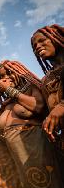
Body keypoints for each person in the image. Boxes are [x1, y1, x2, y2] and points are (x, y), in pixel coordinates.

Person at [0, 60, 64, 188]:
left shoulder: (31, 86)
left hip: (33, 142)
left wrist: (10, 90)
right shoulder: (7, 102)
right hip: (16, 151)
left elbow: (38, 107)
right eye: (1, 77)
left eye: (8, 73)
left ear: (18, 71)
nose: (5, 78)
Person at [31, 24, 64, 153]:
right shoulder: (46, 80)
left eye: (42, 40)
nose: (37, 46)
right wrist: (51, 126)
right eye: (34, 46)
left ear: (55, 37)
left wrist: (61, 107)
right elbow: (50, 110)